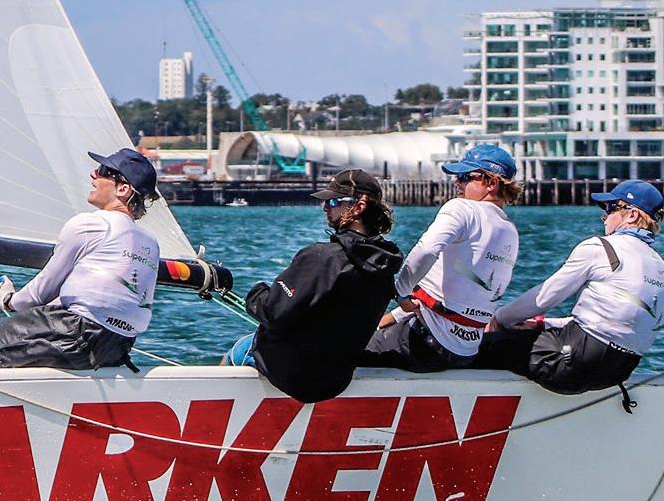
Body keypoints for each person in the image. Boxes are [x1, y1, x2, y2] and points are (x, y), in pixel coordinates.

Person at [0, 148, 161, 370]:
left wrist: (7, 299)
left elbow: (40, 293)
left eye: (104, 170)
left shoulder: (91, 224)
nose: (93, 173)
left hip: (74, 333)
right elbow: (102, 298)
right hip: (117, 347)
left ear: (123, 189)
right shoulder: (151, 242)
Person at [475, 180, 664, 394]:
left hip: (574, 363)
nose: (604, 217)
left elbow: (547, 296)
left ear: (632, 215)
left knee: (478, 345)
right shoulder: (662, 268)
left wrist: (500, 319)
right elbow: (617, 324)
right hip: (618, 371)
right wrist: (543, 324)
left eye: (610, 208)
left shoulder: (601, 247)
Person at [222, 169, 403, 402]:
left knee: (240, 349)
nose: (325, 207)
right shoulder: (386, 266)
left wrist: (257, 292)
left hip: (293, 376)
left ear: (359, 207)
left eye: (334, 201)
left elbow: (272, 312)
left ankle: (214, 420)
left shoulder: (322, 257)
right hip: (334, 381)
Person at [359, 144, 520, 372]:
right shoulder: (510, 231)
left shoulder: (462, 209)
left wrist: (400, 291)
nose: (457, 183)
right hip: (465, 353)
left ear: (492, 183)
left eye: (465, 177)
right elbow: (453, 292)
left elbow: (426, 251)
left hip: (424, 345)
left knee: (335, 349)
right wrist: (387, 319)